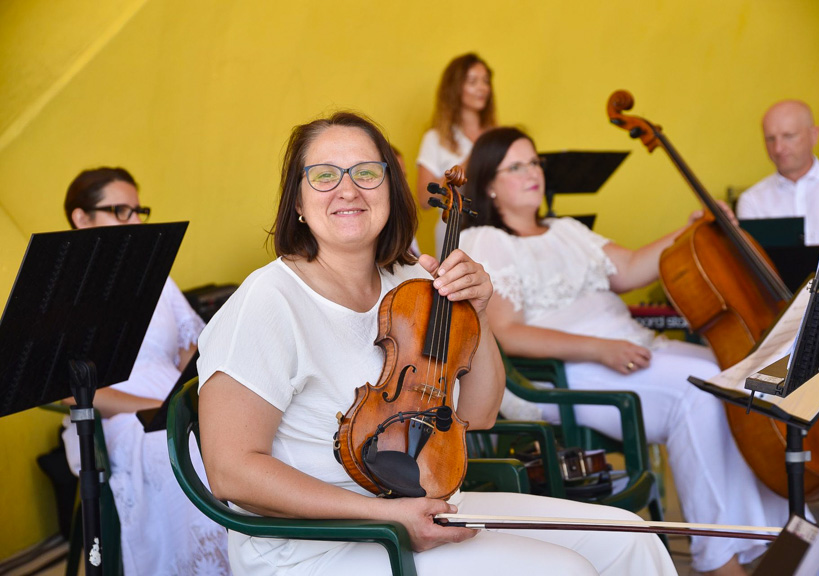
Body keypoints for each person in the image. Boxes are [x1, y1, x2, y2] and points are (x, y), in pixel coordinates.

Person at [195, 112, 676, 575]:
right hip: (318, 544)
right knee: (564, 571)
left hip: (417, 507)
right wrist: (383, 518)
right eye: (323, 175)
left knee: (630, 538)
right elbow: (231, 471)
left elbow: (481, 413)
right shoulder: (268, 300)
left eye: (367, 172)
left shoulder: (410, 281)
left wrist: (478, 311)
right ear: (297, 201)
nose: (348, 189)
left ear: (391, 190)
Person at [459, 127, 790, 576]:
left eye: (534, 162)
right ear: (490, 183)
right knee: (697, 392)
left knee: (737, 375)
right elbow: (508, 333)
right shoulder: (486, 240)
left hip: (629, 349)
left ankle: (766, 543)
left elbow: (632, 267)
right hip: (566, 370)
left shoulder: (566, 229)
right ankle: (720, 561)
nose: (532, 172)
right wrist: (599, 350)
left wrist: (696, 230)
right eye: (515, 166)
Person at [60, 167, 231, 575]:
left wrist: (182, 381)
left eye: (138, 211)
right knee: (175, 446)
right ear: (81, 218)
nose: (134, 222)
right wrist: (157, 405)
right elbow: (72, 391)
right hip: (116, 418)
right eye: (120, 211)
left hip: (173, 398)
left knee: (236, 429)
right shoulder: (66, 287)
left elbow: (193, 334)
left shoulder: (156, 275)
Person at [417, 53, 496, 255]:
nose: (482, 88)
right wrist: (468, 161)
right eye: (472, 82)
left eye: (485, 81)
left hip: (496, 230)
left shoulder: (496, 134)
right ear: (455, 88)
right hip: (454, 233)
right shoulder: (435, 138)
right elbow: (425, 199)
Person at [735, 99, 819, 246]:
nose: (778, 148)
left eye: (788, 136)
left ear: (814, 135)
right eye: (770, 139)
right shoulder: (752, 201)